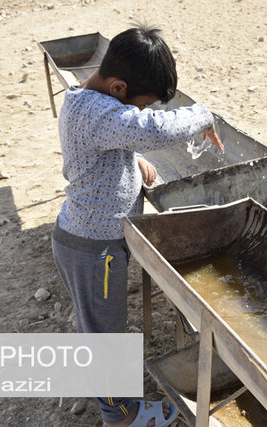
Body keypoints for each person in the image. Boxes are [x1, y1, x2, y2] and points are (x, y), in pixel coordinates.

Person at [51, 24, 223, 427]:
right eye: (140, 105)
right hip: (95, 250)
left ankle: (113, 396)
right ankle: (121, 415)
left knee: (96, 327)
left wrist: (132, 160)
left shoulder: (85, 101)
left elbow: (116, 137)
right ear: (117, 87)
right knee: (105, 339)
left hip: (84, 239)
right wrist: (203, 115)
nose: (140, 114)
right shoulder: (99, 113)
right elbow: (150, 130)